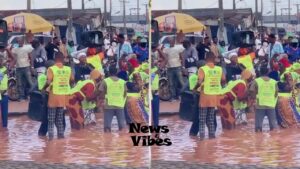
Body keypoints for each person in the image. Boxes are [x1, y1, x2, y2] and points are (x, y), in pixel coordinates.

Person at [43, 51, 74, 140]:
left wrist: (43, 89)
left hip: (54, 96)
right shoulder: (68, 69)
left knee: (51, 119)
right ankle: (61, 136)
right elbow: (72, 81)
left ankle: (51, 138)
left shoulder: (51, 69)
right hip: (63, 96)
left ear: (55, 59)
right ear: (62, 59)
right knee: (60, 119)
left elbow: (48, 82)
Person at [196, 51, 225, 140]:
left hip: (205, 96)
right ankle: (212, 136)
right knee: (211, 119)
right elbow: (223, 80)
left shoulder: (202, 69)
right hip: (214, 96)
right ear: (213, 59)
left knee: (202, 119)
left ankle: (202, 138)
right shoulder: (219, 69)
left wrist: (194, 89)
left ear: (206, 59)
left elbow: (199, 82)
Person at [249, 66, 278, 132]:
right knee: (273, 127)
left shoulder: (256, 81)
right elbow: (276, 93)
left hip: (260, 105)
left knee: (258, 127)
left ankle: (258, 141)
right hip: (271, 105)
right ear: (268, 72)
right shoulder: (274, 82)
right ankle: (273, 141)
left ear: (259, 72)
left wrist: (254, 99)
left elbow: (251, 90)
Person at [99, 66, 127, 132]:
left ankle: (107, 141)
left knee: (107, 127)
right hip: (120, 105)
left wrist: (101, 102)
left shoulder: (105, 81)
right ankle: (122, 141)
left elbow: (101, 94)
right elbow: (125, 94)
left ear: (109, 72)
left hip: (109, 105)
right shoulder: (123, 82)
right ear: (117, 72)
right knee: (122, 127)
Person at [0, 56, 9, 128]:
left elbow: (14, 59)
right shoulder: (5, 70)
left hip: (5, 93)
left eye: (1, 61)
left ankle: (5, 127)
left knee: (5, 112)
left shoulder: (6, 69)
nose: (0, 62)